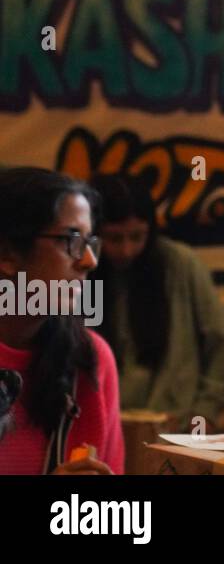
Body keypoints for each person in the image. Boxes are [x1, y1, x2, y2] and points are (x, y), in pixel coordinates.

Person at [90, 173, 224, 433]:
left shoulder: (180, 263)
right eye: (114, 238)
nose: (127, 249)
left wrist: (203, 414)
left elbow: (222, 346)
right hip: (98, 428)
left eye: (137, 236)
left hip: (173, 429)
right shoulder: (79, 269)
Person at [0, 167, 123, 474]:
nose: (89, 261)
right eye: (70, 240)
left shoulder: (90, 360)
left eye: (90, 243)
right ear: (8, 254)